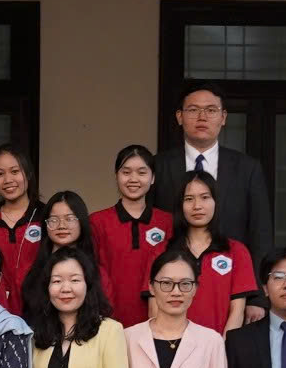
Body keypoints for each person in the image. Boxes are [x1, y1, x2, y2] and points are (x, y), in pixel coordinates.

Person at [156, 83, 274, 258]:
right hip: (172, 269)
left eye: (211, 110)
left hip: (233, 269)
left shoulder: (248, 168)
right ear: (179, 117)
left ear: (223, 117)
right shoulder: (158, 166)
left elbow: (261, 233)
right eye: (193, 110)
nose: (202, 117)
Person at [165, 169, 262, 333]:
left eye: (205, 197)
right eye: (189, 199)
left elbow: (237, 311)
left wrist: (222, 345)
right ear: (180, 205)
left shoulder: (237, 251)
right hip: (173, 344)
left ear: (216, 202)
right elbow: (155, 308)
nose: (197, 206)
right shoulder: (163, 251)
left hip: (220, 343)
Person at [91, 145, 174, 326]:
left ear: (153, 178)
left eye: (142, 173)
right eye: (126, 172)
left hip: (158, 321)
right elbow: (90, 274)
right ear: (116, 176)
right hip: (109, 321)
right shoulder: (97, 222)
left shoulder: (167, 222)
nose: (133, 179)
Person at [0, 144, 49, 295]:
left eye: (15, 171)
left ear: (28, 174)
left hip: (41, 305)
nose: (8, 180)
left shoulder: (47, 216)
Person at [13, 191, 94, 318]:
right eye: (54, 220)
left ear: (81, 222)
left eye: (69, 219)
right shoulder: (30, 270)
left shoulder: (95, 271)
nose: (61, 226)